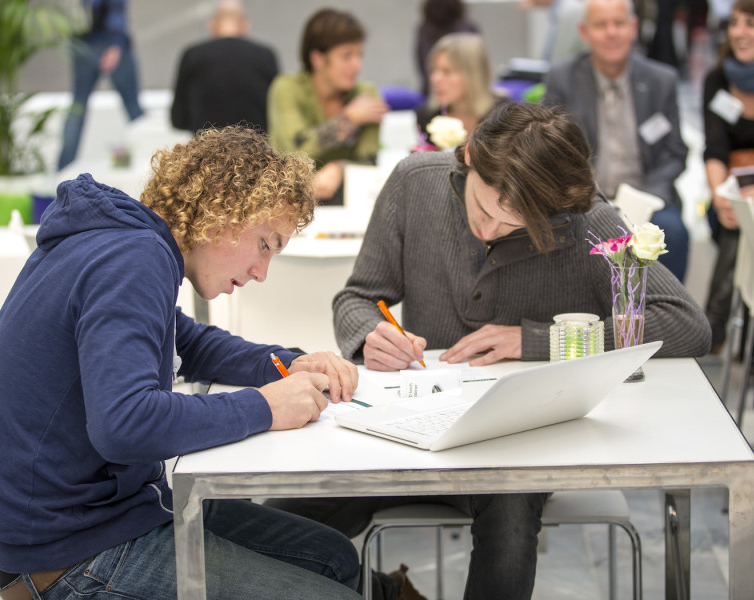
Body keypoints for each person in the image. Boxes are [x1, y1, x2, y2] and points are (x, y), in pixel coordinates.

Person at [267, 102, 711, 600]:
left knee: (509, 519)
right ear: (470, 158)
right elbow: (357, 297)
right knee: (268, 526)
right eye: (482, 209)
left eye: (513, 226)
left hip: (517, 442)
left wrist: (535, 341)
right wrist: (370, 333)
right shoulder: (416, 183)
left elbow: (688, 325)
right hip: (405, 433)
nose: (488, 231)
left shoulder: (588, 222)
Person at [0, 126, 365, 600]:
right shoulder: (134, 256)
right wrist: (264, 407)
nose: (262, 272)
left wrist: (289, 364)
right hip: (66, 557)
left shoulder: (125, 242)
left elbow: (192, 344)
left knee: (334, 556)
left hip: (102, 518)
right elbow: (125, 424)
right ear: (224, 209)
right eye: (265, 243)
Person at [543, 0, 691, 282]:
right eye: (601, 25)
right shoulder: (563, 79)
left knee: (672, 231)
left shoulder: (662, 81)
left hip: (650, 198)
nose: (611, 33)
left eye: (619, 23)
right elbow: (552, 151)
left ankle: (666, 316)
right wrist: (587, 197)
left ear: (633, 28)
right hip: (586, 200)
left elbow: (674, 153)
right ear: (584, 32)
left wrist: (645, 200)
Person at [267, 8, 388, 205]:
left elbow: (368, 164)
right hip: (287, 202)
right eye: (347, 56)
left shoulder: (365, 94)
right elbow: (296, 151)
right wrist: (348, 120)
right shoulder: (286, 88)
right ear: (317, 59)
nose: (357, 65)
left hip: (347, 205)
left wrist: (340, 168)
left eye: (360, 55)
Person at [703, 0, 754, 352]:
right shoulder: (717, 79)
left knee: (746, 226)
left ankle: (713, 329)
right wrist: (722, 195)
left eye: (750, 23)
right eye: (735, 23)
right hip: (733, 189)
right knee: (735, 218)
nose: (738, 32)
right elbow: (714, 151)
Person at [58, 0, 144, 171]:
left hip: (81, 42)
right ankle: (152, 165)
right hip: (108, 41)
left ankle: (61, 170)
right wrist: (115, 43)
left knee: (78, 106)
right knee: (134, 108)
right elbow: (116, 8)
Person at [170, 0, 278, 133]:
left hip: (205, 149)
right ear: (245, 25)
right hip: (255, 149)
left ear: (211, 25)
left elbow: (178, 118)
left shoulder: (192, 55)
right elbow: (276, 111)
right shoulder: (265, 55)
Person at [416, 32, 502, 145]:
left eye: (447, 71)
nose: (434, 79)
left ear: (473, 75)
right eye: (433, 70)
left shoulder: (503, 116)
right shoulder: (427, 116)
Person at [415, 0, 480, 97]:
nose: (437, 78)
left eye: (447, 72)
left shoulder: (424, 30)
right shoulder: (467, 28)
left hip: (433, 94)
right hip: (436, 96)